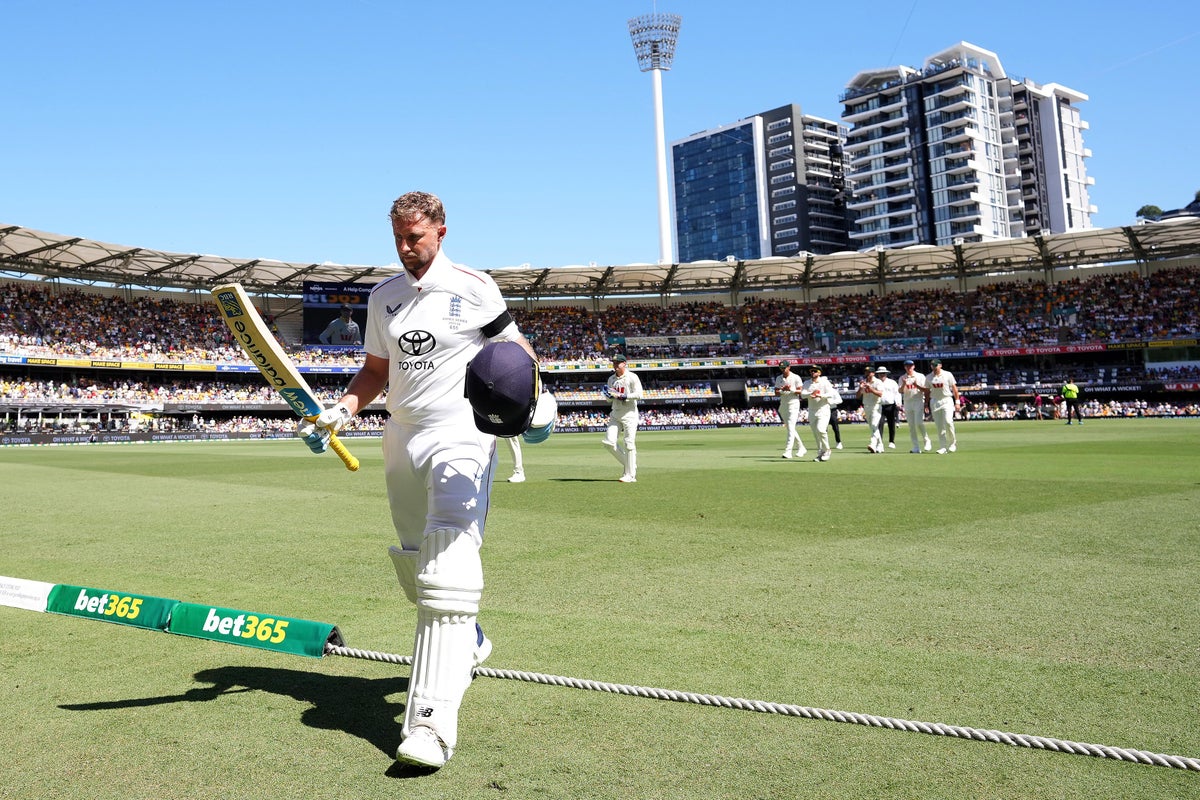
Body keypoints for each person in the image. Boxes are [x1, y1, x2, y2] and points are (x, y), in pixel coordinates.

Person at [296, 191, 543, 770]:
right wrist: (342, 411)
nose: (408, 249)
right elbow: (376, 371)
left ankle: (429, 725)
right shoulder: (382, 297)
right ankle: (471, 639)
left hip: (463, 430)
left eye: (417, 238)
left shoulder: (475, 287)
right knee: (416, 558)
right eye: (399, 239)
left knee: (446, 566)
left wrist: (540, 399)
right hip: (401, 435)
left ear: (441, 232)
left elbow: (516, 352)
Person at [602, 353, 643, 482]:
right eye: (613, 363)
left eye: (617, 363)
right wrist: (607, 395)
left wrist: (625, 396)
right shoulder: (611, 379)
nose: (615, 365)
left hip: (629, 414)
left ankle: (630, 475)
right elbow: (609, 400)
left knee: (629, 444)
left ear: (624, 363)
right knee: (609, 442)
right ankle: (630, 465)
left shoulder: (632, 377)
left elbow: (639, 394)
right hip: (615, 413)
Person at [923, 358, 961, 454]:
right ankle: (942, 447)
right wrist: (926, 404)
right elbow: (927, 392)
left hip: (947, 399)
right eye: (932, 366)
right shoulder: (928, 377)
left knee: (948, 421)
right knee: (939, 426)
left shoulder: (947, 374)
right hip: (935, 401)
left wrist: (957, 402)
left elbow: (954, 388)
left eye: (935, 365)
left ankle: (953, 443)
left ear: (940, 365)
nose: (934, 368)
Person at [800, 364, 836, 461]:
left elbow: (831, 394)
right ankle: (820, 452)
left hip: (823, 409)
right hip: (812, 410)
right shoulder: (807, 383)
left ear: (819, 373)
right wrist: (811, 393)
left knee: (821, 430)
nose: (812, 372)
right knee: (816, 433)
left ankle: (827, 450)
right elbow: (803, 394)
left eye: (815, 371)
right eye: (811, 371)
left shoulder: (825, 382)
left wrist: (820, 395)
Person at [774, 359, 807, 459]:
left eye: (784, 368)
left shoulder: (796, 377)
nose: (783, 370)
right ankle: (801, 447)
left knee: (791, 427)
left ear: (789, 367)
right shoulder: (778, 378)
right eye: (781, 368)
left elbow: (800, 391)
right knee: (790, 428)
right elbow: (776, 392)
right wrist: (783, 390)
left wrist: (790, 389)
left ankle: (788, 451)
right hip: (783, 404)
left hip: (793, 404)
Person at [898, 359, 932, 453]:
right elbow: (900, 391)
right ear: (905, 367)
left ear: (914, 366)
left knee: (919, 422)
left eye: (910, 366)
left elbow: (926, 390)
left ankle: (926, 440)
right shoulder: (902, 378)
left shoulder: (920, 376)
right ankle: (916, 447)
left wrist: (916, 385)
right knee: (911, 426)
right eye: (907, 366)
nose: (909, 368)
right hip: (908, 402)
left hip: (918, 401)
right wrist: (904, 384)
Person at [856, 365, 884, 453]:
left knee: (874, 425)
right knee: (872, 427)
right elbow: (857, 396)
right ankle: (880, 446)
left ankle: (873, 444)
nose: (867, 374)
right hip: (866, 406)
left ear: (873, 373)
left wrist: (870, 388)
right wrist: (860, 388)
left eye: (869, 372)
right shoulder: (863, 382)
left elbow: (880, 394)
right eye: (866, 372)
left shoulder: (878, 382)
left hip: (876, 405)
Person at [876, 366, 900, 448]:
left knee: (891, 424)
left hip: (890, 405)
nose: (882, 375)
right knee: (880, 424)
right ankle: (880, 443)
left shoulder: (892, 382)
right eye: (880, 374)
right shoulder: (876, 382)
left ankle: (892, 441)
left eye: (883, 373)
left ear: (886, 374)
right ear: (878, 374)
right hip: (879, 405)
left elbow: (897, 393)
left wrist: (898, 402)